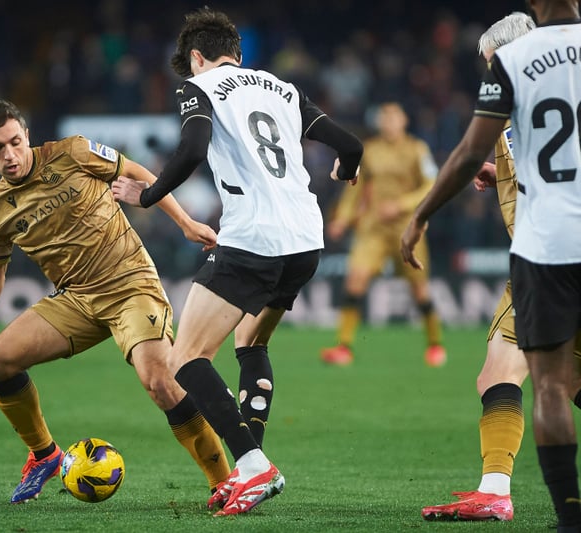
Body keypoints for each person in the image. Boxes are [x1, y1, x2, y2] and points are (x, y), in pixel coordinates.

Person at [112, 7, 363, 516]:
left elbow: (192, 148)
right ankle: (252, 469)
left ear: (196, 58)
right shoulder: (283, 88)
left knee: (185, 359)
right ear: (238, 54)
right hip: (305, 241)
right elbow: (351, 145)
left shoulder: (198, 86)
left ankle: (252, 465)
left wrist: (148, 195)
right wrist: (345, 169)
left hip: (254, 238)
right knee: (251, 342)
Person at [0, 99, 232, 505]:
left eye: (14, 142)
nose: (9, 155)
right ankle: (44, 455)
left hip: (130, 284)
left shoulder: (73, 152)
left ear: (26, 135)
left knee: (159, 381)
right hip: (77, 299)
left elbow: (137, 172)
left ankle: (224, 482)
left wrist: (185, 222)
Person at [401, 1, 581, 530]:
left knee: (506, 373)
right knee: (569, 380)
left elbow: (471, 150)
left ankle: (499, 493)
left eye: (488, 63)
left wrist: (421, 214)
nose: (487, 72)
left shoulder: (518, 67)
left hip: (546, 252)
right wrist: (498, 171)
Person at [320, 101, 446, 367]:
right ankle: (344, 347)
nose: (389, 123)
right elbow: (355, 188)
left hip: (407, 229)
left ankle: (435, 345)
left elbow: (430, 184)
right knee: (355, 279)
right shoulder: (370, 151)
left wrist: (401, 205)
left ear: (404, 121)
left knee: (420, 290)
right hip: (373, 227)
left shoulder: (417, 149)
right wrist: (342, 218)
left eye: (393, 118)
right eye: (385, 118)